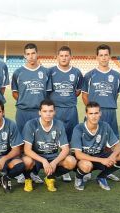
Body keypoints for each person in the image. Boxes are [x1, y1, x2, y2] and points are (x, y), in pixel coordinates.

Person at [11, 43, 51, 184]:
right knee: (21, 144)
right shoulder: (18, 72)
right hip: (23, 112)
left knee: (37, 144)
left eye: (33, 53)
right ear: (24, 55)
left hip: (38, 113)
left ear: (37, 53)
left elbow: (47, 94)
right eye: (27, 54)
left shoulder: (45, 72)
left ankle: (34, 172)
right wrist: (25, 101)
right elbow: (15, 93)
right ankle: (20, 171)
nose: (30, 56)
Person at [71, 102, 120, 191]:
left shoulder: (105, 126)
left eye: (96, 113)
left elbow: (118, 145)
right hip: (84, 160)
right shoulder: (78, 128)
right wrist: (103, 160)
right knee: (86, 165)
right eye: (91, 113)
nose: (94, 116)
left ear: (100, 114)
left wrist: (112, 157)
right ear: (86, 114)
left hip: (100, 156)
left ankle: (102, 177)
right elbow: (78, 155)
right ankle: (79, 177)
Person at [22, 99, 77, 192]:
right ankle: (28, 179)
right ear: (39, 112)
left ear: (54, 112)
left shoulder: (59, 124)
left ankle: (50, 177)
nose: (48, 114)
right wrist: (43, 161)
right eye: (45, 111)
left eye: (51, 111)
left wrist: (55, 162)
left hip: (53, 157)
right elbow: (27, 150)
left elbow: (65, 149)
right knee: (26, 161)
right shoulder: (31, 124)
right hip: (37, 158)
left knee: (71, 161)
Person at [48, 46, 83, 182]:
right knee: (51, 140)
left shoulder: (77, 72)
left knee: (67, 140)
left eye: (66, 55)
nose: (64, 58)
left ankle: (65, 170)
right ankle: (50, 166)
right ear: (57, 57)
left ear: (71, 57)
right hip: (55, 110)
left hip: (70, 110)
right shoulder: (50, 72)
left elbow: (77, 91)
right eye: (61, 55)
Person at [81, 44, 120, 139]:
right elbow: (84, 96)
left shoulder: (117, 76)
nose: (104, 58)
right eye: (101, 55)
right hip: (94, 112)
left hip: (110, 112)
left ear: (109, 57)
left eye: (106, 55)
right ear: (97, 57)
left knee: (111, 140)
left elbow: (115, 95)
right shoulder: (89, 75)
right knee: (90, 139)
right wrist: (92, 111)